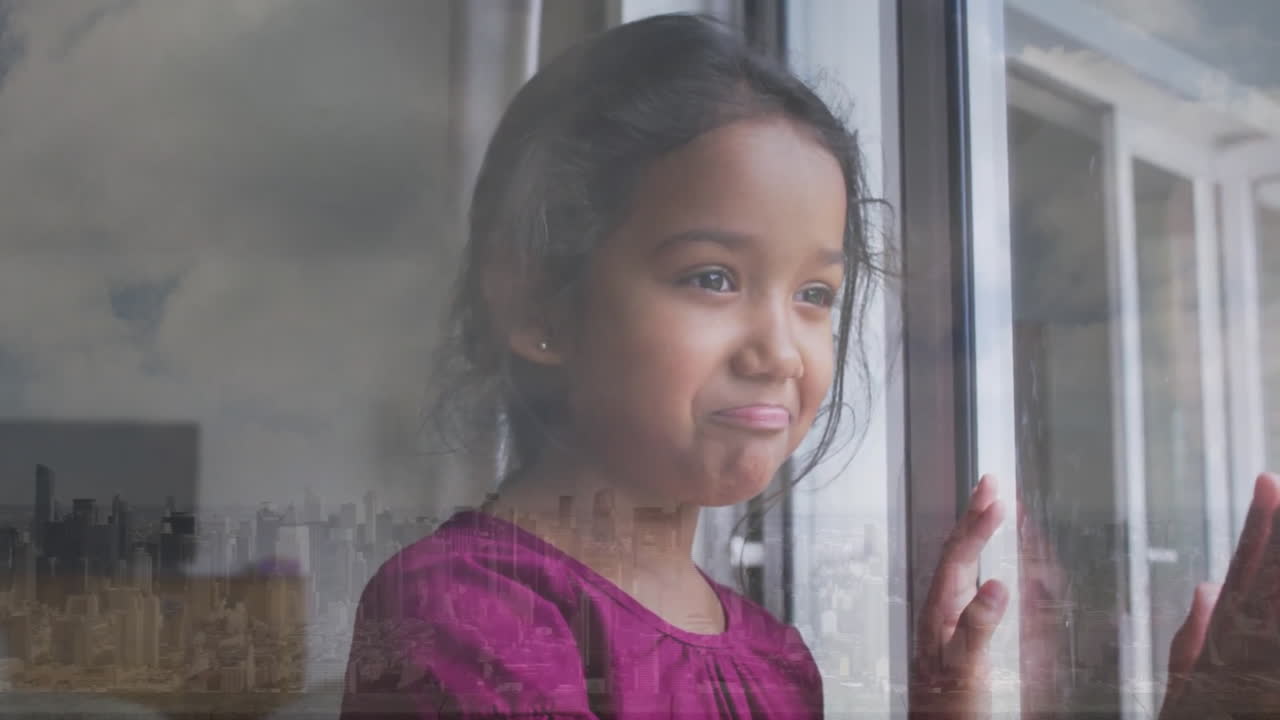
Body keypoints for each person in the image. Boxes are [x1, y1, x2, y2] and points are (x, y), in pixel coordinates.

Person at [339, 12, 1280, 719]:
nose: (780, 351)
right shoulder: (468, 615)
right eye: (712, 278)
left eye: (816, 294)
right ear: (539, 303)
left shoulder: (774, 657)